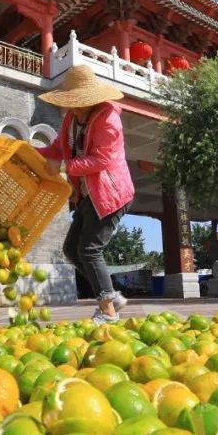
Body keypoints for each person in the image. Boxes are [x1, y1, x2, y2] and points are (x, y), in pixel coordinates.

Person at [37, 65, 135, 325]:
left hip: (110, 192)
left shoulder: (108, 119)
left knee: (89, 249)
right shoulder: (71, 119)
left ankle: (108, 311)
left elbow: (101, 159)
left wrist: (62, 167)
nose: (74, 108)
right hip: (87, 195)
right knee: (72, 249)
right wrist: (34, 151)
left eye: (78, 103)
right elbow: (59, 147)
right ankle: (111, 296)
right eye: (71, 103)